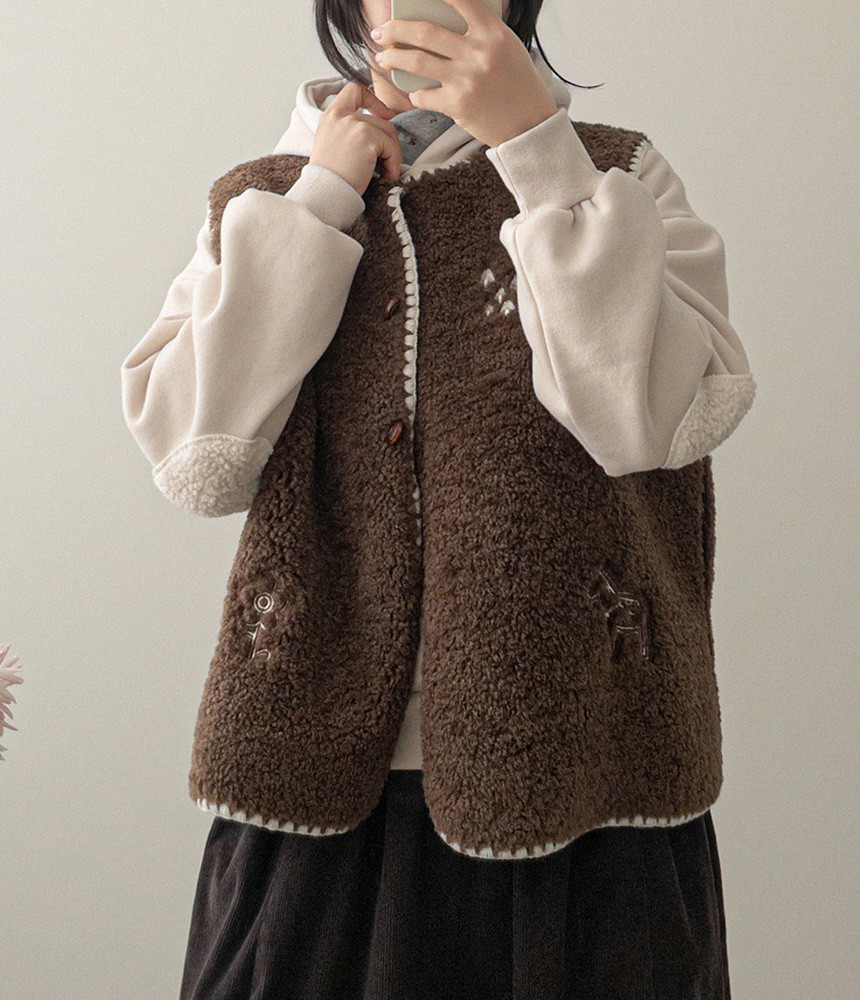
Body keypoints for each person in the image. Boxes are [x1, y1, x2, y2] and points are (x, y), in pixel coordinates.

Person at [121, 1, 755, 996]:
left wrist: (536, 150)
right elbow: (198, 460)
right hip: (310, 785)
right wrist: (321, 195)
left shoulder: (615, 174)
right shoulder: (264, 196)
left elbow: (652, 422)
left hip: (589, 781)